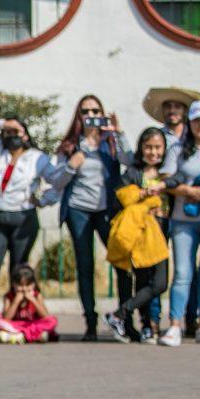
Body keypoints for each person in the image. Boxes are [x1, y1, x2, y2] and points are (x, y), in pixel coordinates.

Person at [49, 94, 133, 341]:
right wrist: (72, 164)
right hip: (79, 210)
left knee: (122, 263)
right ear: (79, 116)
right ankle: (91, 323)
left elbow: (128, 161)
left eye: (96, 111)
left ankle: (124, 318)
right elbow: (56, 182)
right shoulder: (70, 145)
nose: (92, 116)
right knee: (85, 266)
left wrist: (119, 132)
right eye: (86, 111)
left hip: (108, 210)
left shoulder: (110, 141)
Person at [151, 101, 200, 346]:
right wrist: (187, 190)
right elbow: (166, 178)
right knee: (183, 273)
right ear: (190, 123)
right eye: (197, 121)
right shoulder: (178, 149)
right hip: (184, 220)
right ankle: (175, 325)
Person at [0, 114, 59, 297]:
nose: (12, 135)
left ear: (25, 134)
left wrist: (43, 200)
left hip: (24, 217)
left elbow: (58, 181)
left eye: (16, 131)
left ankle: (15, 318)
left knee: (19, 271)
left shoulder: (37, 158)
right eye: (7, 132)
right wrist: (2, 123)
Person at [142, 87, 200, 334]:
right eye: (168, 107)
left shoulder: (194, 139)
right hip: (159, 211)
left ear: (185, 112)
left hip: (185, 211)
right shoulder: (157, 138)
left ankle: (190, 316)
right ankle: (154, 318)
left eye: (177, 107)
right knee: (156, 267)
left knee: (188, 267)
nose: (172, 111)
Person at [104, 127, 171, 345]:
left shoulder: (168, 173)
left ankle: (121, 315)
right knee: (143, 281)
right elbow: (123, 200)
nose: (153, 152)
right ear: (141, 148)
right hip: (142, 235)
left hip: (163, 231)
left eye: (158, 147)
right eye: (148, 147)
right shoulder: (132, 173)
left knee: (159, 283)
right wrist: (145, 198)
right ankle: (144, 326)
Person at [0, 264, 59, 344]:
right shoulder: (9, 297)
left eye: (28, 285)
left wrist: (33, 300)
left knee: (52, 321)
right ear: (13, 284)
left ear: (34, 284)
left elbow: (45, 316)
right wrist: (16, 301)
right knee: (1, 323)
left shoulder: (37, 295)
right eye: (20, 285)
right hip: (17, 325)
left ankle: (21, 336)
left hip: (33, 324)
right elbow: (6, 318)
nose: (24, 289)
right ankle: (35, 336)